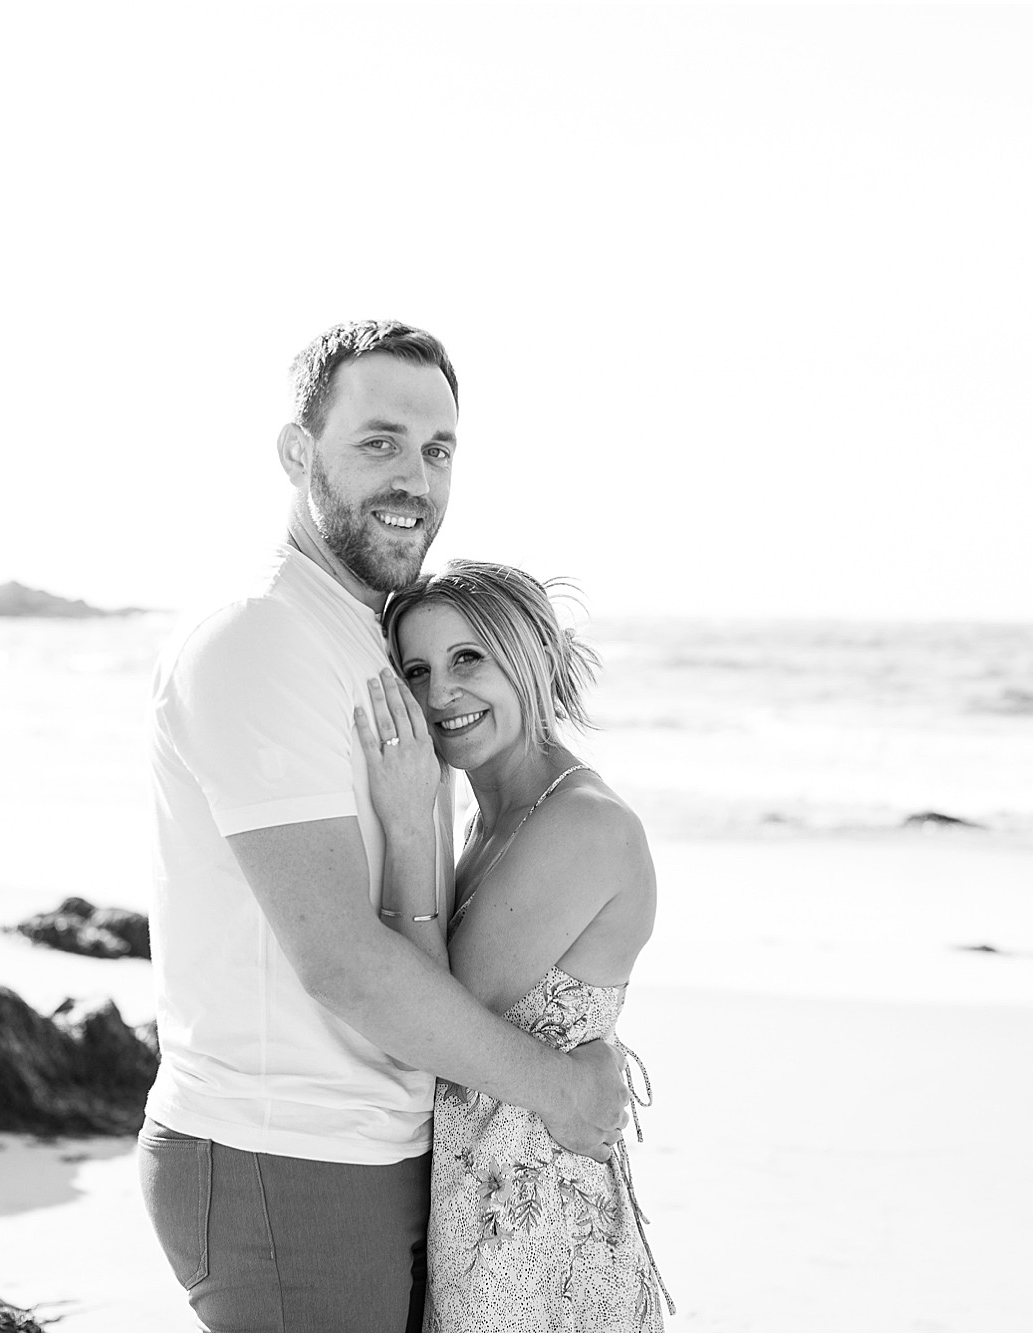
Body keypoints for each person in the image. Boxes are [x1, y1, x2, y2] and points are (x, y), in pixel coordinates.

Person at [136, 320, 632, 1333]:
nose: (415, 477)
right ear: (296, 452)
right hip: (285, 1154)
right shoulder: (263, 635)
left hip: (374, 1147)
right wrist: (556, 1086)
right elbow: (343, 962)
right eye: (379, 442)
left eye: (437, 449)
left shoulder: (377, 634)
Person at [358, 561, 673, 1332]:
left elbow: (430, 1023)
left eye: (468, 658)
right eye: (417, 670)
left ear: (531, 656)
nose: (440, 693)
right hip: (488, 1231)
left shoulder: (583, 823)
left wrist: (408, 824)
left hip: (544, 1254)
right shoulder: (490, 821)